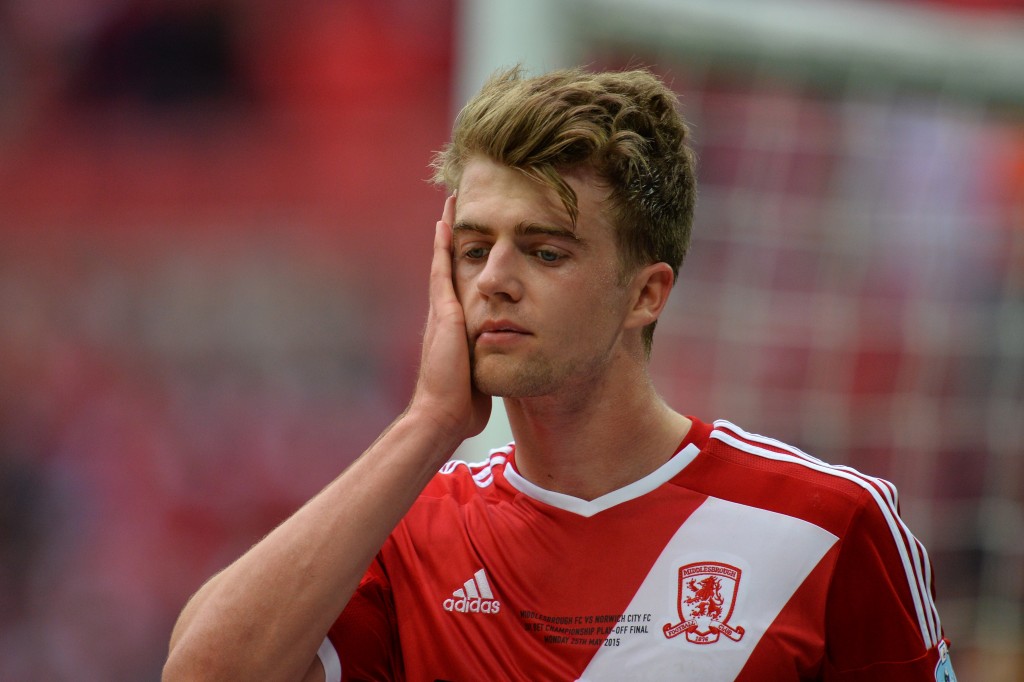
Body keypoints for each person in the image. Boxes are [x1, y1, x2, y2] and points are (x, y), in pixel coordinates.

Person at [162, 66, 956, 681]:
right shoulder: (409, 534)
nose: (494, 280)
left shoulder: (828, 525)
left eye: (546, 251)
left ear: (646, 293)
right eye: (474, 249)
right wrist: (428, 425)